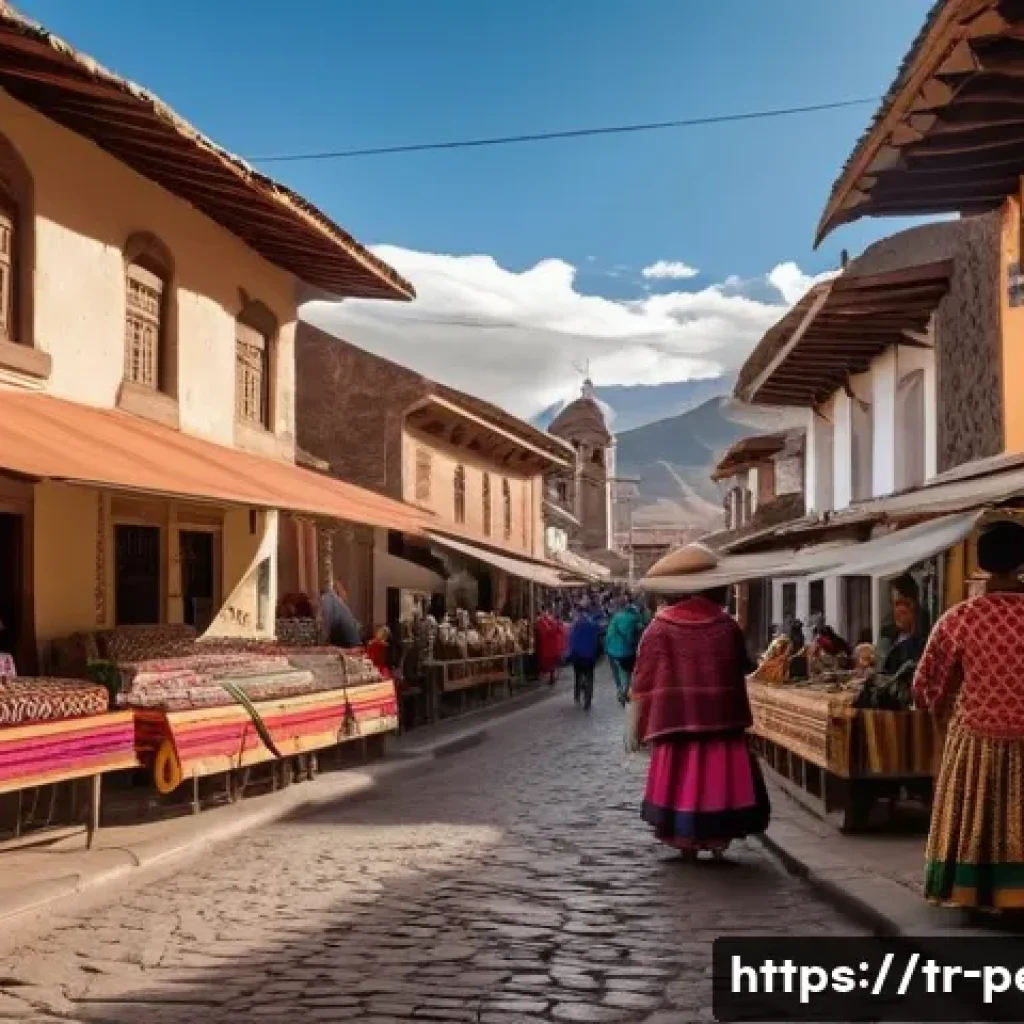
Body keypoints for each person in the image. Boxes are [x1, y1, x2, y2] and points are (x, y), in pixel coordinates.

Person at [913, 520, 1024, 913]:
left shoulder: (959, 619)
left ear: (982, 564)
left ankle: (973, 891)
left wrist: (939, 713)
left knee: (974, 812)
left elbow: (927, 684)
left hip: (975, 737)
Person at [629, 586, 771, 861]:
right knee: (717, 776)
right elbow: (744, 665)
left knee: (681, 775)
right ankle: (717, 838)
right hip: (720, 716)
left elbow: (643, 674)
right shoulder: (726, 626)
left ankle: (685, 840)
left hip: (675, 717)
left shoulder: (659, 628)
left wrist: (638, 714)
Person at [605, 600, 644, 707]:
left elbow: (609, 634)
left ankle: (620, 690)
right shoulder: (634, 618)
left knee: (617, 673)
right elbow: (638, 633)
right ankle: (623, 692)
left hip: (611, 651)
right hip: (627, 652)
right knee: (626, 674)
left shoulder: (616, 618)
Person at [568, 605, 601, 710]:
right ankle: (588, 699)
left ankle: (577, 695)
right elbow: (600, 630)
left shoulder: (574, 624)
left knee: (578, 675)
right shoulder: (592, 623)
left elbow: (571, 640)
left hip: (577, 655)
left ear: (578, 612)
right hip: (589, 655)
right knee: (589, 676)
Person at [320, 579, 362, 648]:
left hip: (348, 650)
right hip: (352, 648)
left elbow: (324, 633)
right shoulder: (334, 602)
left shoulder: (329, 600)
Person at [535, 608, 565, 686]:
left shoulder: (546, 621)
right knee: (550, 663)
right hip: (548, 646)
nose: (546, 614)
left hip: (550, 646)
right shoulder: (542, 622)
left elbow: (551, 630)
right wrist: (557, 625)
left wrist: (556, 625)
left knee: (551, 663)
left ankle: (551, 677)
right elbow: (547, 631)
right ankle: (550, 677)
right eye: (544, 612)